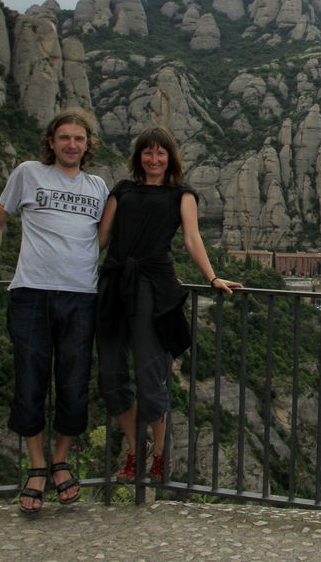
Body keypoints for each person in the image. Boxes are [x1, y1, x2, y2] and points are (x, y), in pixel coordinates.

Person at [0, 107, 109, 514]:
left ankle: (60, 459)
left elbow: (104, 239)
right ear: (51, 141)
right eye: (64, 137)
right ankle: (36, 466)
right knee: (29, 384)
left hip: (81, 297)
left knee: (74, 385)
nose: (71, 144)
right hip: (30, 293)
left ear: (87, 146)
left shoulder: (98, 186)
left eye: (79, 139)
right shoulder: (28, 173)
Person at [96, 126, 241, 484]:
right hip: (114, 284)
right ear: (138, 157)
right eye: (148, 152)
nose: (154, 159)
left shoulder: (182, 194)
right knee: (111, 377)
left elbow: (192, 238)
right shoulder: (122, 189)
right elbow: (99, 238)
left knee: (150, 377)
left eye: (161, 153)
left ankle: (160, 452)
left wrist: (211, 277)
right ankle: (135, 449)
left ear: (170, 157)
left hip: (152, 288)